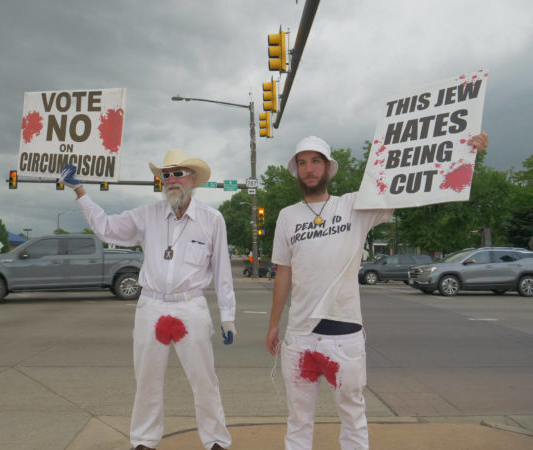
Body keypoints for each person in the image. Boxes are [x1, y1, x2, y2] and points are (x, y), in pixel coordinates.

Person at [265, 133, 488, 450]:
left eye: (316, 161)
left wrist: (465, 156)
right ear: (296, 170)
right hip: (300, 335)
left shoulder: (354, 205)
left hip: (344, 334)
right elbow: (283, 272)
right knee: (298, 423)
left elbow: (413, 186)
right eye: (303, 163)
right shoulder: (287, 216)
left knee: (353, 419)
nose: (309, 169)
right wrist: (274, 324)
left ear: (328, 168)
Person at [59, 148, 236, 450]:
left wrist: (228, 315)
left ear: (192, 179)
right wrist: (79, 190)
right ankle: (144, 440)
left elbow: (222, 270)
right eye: (166, 175)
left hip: (190, 305)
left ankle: (216, 440)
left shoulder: (212, 219)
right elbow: (107, 228)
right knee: (147, 381)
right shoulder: (147, 215)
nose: (171, 180)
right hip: (151, 305)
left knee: (204, 380)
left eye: (178, 173)